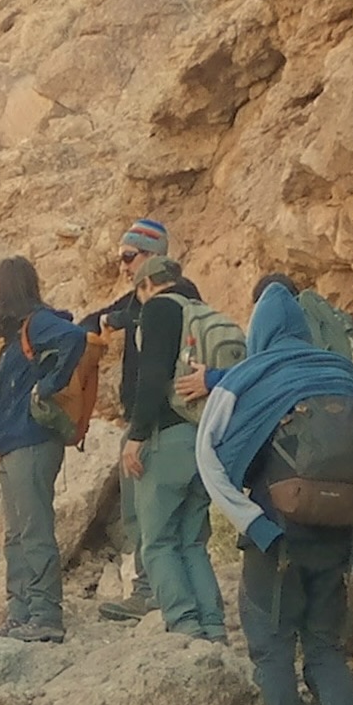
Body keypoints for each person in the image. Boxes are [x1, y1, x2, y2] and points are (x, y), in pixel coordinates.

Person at [197, 276, 353, 705]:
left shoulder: (247, 376)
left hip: (276, 535)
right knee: (324, 646)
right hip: (338, 536)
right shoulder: (345, 376)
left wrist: (250, 520)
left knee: (272, 648)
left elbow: (207, 456)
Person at [89, 222, 229, 641]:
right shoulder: (197, 308)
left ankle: (184, 625)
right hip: (201, 438)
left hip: (163, 438)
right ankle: (213, 628)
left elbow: (152, 378)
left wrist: (135, 436)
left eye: (129, 260)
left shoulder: (158, 309)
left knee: (158, 541)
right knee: (192, 542)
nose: (125, 270)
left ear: (149, 278)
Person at [0, 257, 89, 643]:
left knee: (34, 530)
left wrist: (47, 386)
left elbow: (75, 338)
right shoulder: (14, 343)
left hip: (31, 443)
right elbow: (0, 402)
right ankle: (20, 613)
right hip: (13, 448)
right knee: (16, 536)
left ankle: (45, 615)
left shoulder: (38, 324)